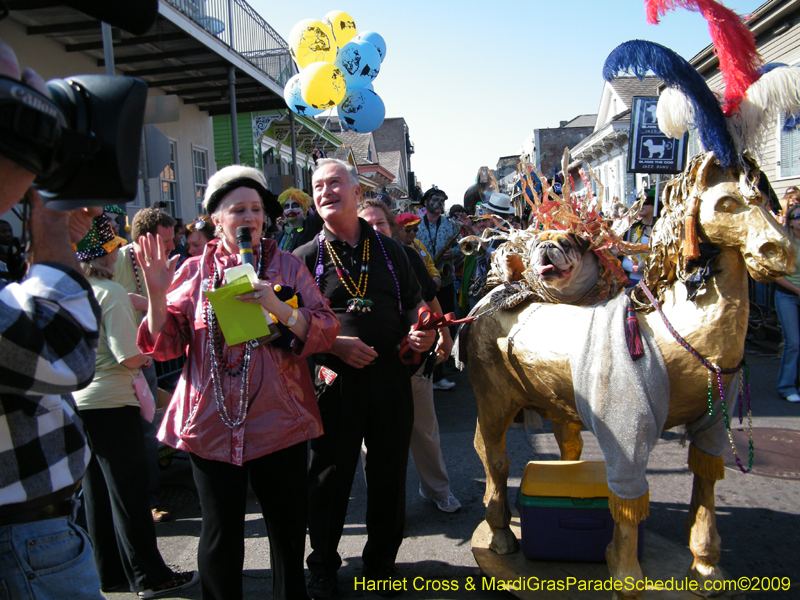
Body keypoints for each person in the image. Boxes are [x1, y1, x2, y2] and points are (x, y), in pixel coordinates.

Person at [136, 165, 339, 600]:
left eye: (255, 209)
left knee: (286, 532)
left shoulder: (286, 265)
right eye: (237, 209)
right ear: (216, 219)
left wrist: (276, 304)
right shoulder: (191, 272)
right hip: (210, 423)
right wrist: (155, 294)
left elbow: (324, 327)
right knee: (220, 534)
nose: (249, 217)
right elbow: (164, 345)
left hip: (278, 420)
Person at [295, 159, 436, 599]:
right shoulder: (303, 257)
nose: (325, 191)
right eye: (317, 186)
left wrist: (422, 331)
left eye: (334, 183)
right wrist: (334, 346)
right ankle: (321, 565)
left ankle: (380, 563)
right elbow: (291, 324)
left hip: (392, 378)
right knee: (329, 476)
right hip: (332, 383)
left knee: (389, 473)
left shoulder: (393, 251)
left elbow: (415, 305)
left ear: (357, 192)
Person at [0, 37, 104, 600]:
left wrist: (46, 236)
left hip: (36, 530)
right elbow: (63, 349)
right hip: (18, 543)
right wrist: (51, 225)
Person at [72, 215, 199, 598]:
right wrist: (147, 359)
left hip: (82, 402)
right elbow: (127, 355)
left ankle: (109, 573)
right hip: (113, 402)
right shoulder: (110, 293)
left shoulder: (78, 292)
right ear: (108, 256)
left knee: (96, 493)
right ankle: (150, 576)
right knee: (129, 495)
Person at [361, 203, 461, 514]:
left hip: (412, 361)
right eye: (368, 224)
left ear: (391, 227)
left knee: (424, 430)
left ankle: (437, 490)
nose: (375, 229)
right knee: (373, 441)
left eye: (381, 223)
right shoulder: (349, 262)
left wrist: (443, 335)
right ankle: (383, 503)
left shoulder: (406, 256)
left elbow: (430, 299)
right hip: (369, 367)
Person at [113, 207, 176, 523]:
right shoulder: (115, 260)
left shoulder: (168, 265)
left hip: (147, 361)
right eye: (163, 244)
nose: (170, 250)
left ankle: (149, 499)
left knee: (146, 431)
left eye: (171, 242)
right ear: (142, 241)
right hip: (114, 364)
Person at [415, 186, 461, 391]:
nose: (439, 203)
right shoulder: (415, 224)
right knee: (426, 327)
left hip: (446, 281)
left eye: (442, 200)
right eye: (435, 199)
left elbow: (461, 247)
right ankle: (426, 373)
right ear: (425, 203)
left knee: (446, 324)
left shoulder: (451, 226)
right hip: (424, 283)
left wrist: (455, 252)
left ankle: (440, 371)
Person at [774, 203, 800, 403]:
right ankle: (787, 386)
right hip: (787, 295)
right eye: (798, 216)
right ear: (790, 221)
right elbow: (776, 275)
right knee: (793, 342)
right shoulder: (784, 242)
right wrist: (797, 290)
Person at [394, 212, 441, 289]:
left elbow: (429, 264)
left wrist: (436, 275)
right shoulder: (394, 247)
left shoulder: (418, 244)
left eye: (415, 229)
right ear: (398, 230)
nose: (412, 232)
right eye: (408, 229)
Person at [622, 189, 657, 286]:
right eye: (638, 202)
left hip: (658, 281)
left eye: (645, 202)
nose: (640, 206)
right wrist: (636, 267)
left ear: (654, 204)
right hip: (635, 282)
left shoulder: (662, 228)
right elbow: (624, 258)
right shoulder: (631, 229)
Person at [275, 187, 322, 252]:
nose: (290, 209)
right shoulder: (278, 237)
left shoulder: (311, 225)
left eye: (295, 205)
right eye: (287, 206)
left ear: (304, 210)